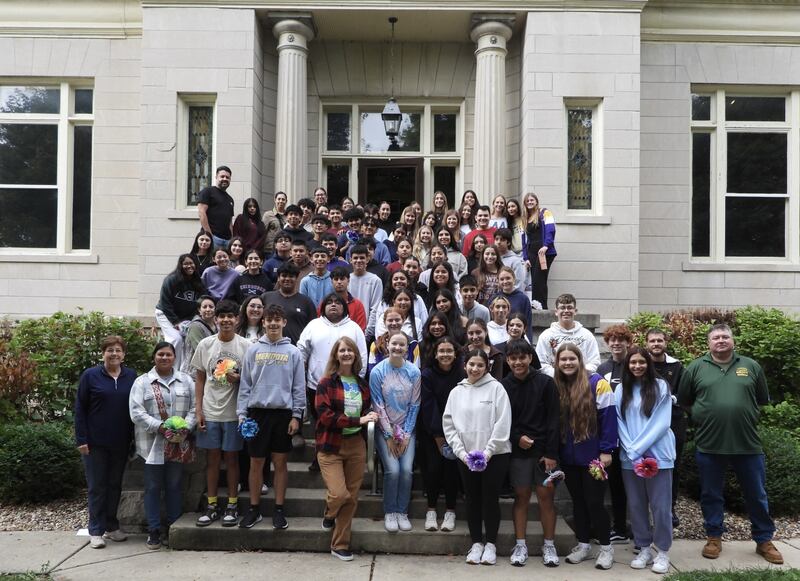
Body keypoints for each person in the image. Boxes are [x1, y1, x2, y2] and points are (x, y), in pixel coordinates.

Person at [677, 324, 783, 565]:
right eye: (716, 337)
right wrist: (703, 415)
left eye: (725, 336)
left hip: (747, 444)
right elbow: (685, 401)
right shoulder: (695, 367)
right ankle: (714, 537)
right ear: (709, 343)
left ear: (733, 341)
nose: (721, 340)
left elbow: (761, 400)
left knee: (756, 494)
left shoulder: (750, 366)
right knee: (711, 494)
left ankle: (764, 540)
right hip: (709, 443)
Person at [236, 304, 306, 530]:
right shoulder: (253, 350)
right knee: (256, 462)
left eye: (278, 319)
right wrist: (242, 414)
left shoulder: (294, 352)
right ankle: (254, 509)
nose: (273, 323)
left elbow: (299, 387)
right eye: (269, 320)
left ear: (284, 323)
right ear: (263, 322)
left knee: (281, 463)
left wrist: (297, 416)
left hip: (283, 414)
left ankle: (278, 509)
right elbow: (245, 383)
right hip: (257, 413)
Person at [442, 348, 511, 565]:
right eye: (471, 364)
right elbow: (449, 424)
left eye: (480, 365)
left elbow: (502, 423)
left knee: (490, 499)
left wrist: (488, 452)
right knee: (472, 499)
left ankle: (490, 543)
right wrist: (462, 454)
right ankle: (476, 543)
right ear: (465, 365)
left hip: (495, 456)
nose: (475, 368)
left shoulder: (497, 389)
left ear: (487, 367)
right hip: (466, 458)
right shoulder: (456, 392)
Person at [553, 343, 617, 570]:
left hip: (594, 458)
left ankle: (606, 548)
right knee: (577, 503)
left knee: (595, 503)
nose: (568, 363)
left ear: (580, 360)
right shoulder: (557, 385)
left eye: (572, 358)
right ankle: (583, 545)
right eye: (563, 359)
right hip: (569, 459)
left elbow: (609, 418)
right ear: (557, 363)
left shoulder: (597, 383)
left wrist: (606, 451)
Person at [316, 337, 380, 561]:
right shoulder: (326, 383)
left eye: (350, 350)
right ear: (336, 354)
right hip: (331, 444)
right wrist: (359, 420)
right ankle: (329, 513)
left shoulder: (362, 383)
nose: (346, 354)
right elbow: (325, 416)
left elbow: (368, 409)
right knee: (339, 493)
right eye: (342, 350)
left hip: (356, 446)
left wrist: (370, 416)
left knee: (351, 498)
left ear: (355, 355)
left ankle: (340, 544)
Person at [129, 341, 196, 550]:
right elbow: (136, 412)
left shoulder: (186, 381)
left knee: (174, 486)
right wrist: (160, 427)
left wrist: (185, 427)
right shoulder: (142, 382)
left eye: (168, 355)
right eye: (160, 355)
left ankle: (173, 528)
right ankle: (154, 530)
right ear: (154, 357)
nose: (165, 358)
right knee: (152, 488)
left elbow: (196, 407)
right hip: (150, 446)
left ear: (174, 357)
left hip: (177, 445)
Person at [615, 347, 676, 574]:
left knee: (660, 507)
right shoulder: (621, 389)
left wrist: (637, 448)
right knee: (636, 505)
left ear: (648, 364)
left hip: (658, 455)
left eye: (642, 362)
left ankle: (662, 551)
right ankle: (643, 548)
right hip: (630, 458)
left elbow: (661, 423)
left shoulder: (661, 387)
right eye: (633, 363)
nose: (637, 366)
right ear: (627, 365)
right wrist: (631, 451)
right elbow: (618, 421)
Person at [191, 299, 251, 528]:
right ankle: (212, 504)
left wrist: (240, 379)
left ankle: (233, 505)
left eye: (230, 316)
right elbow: (199, 378)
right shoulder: (205, 345)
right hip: (210, 410)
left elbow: (251, 380)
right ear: (215, 319)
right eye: (221, 316)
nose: (226, 320)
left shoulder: (245, 346)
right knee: (212, 460)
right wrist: (198, 410)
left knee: (232, 459)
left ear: (237, 320)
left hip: (234, 412)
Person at [75, 335, 137, 549]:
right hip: (95, 443)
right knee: (97, 487)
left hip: (121, 442)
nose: (114, 354)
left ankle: (111, 526)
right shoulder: (91, 376)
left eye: (118, 350)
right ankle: (96, 530)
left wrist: (134, 441)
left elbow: (134, 409)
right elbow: (80, 409)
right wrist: (81, 439)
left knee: (114, 486)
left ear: (123, 354)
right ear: (103, 353)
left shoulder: (131, 376)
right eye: (110, 350)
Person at [502, 339, 560, 567]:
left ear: (530, 358)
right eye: (513, 358)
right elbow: (501, 420)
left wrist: (551, 453)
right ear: (507, 360)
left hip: (545, 453)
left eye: (522, 357)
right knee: (522, 497)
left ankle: (549, 545)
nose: (518, 362)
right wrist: (517, 438)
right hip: (518, 452)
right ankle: (520, 545)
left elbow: (554, 419)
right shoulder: (503, 385)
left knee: (546, 498)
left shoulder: (546, 383)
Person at [298, 293, 368, 470]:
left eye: (338, 302)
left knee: (343, 421)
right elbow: (301, 351)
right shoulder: (314, 325)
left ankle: (343, 457)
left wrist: (358, 381)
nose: (333, 305)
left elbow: (363, 356)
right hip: (318, 385)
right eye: (329, 302)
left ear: (344, 307)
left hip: (347, 385)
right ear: (323, 306)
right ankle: (319, 455)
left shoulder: (353, 327)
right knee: (320, 422)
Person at [370, 331, 422, 533]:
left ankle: (402, 511)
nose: (398, 348)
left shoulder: (414, 372)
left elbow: (414, 404)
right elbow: (378, 404)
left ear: (407, 348)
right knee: (393, 470)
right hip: (385, 430)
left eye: (402, 345)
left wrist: (406, 435)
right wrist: (390, 435)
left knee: (407, 470)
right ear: (387, 345)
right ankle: (390, 511)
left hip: (407, 428)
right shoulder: (378, 372)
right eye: (394, 344)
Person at [420, 336, 464, 533]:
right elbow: (429, 406)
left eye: (449, 351)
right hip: (432, 432)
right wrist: (439, 436)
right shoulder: (427, 374)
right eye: (442, 351)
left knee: (452, 471)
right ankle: (431, 510)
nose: (445, 355)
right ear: (436, 354)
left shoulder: (463, 374)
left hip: (458, 431)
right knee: (433, 469)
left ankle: (450, 511)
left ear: (455, 354)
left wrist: (454, 434)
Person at [596, 323, 634, 544]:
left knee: (628, 485)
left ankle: (628, 529)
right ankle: (611, 527)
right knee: (610, 484)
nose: (617, 343)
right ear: (607, 343)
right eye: (612, 340)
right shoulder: (602, 369)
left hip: (632, 435)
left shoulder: (636, 364)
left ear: (628, 342)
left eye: (621, 339)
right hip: (609, 436)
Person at [646, 328, 686, 527]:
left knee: (672, 467)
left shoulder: (677, 367)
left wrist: (668, 399)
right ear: (647, 344)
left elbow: (685, 395)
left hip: (673, 424)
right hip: (646, 425)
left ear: (665, 343)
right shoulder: (641, 365)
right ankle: (646, 511)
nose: (656, 344)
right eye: (652, 341)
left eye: (659, 340)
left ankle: (669, 509)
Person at [155, 254, 206, 368]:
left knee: (187, 341)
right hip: (166, 314)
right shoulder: (171, 280)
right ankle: (171, 369)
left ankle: (183, 370)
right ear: (180, 265)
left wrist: (194, 320)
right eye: (186, 264)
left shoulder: (199, 282)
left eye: (191, 263)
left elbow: (201, 303)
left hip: (186, 318)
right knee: (176, 339)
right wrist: (176, 322)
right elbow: (165, 303)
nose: (189, 266)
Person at [536, 293, 601, 377]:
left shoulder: (587, 335)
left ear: (575, 311)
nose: (566, 311)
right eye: (562, 308)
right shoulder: (546, 336)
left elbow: (594, 361)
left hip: (581, 381)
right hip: (555, 383)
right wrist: (559, 375)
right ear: (556, 312)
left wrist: (577, 373)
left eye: (569, 307)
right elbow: (541, 363)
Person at [261, 262, 318, 345]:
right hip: (268, 348)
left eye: (291, 276)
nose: (287, 279)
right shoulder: (266, 297)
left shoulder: (306, 302)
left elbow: (313, 329)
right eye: (284, 275)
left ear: (297, 278)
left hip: (297, 350)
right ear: (278, 278)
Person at [522, 192, 557, 310]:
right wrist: (526, 257)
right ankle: (536, 307)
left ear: (536, 201)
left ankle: (542, 308)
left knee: (539, 280)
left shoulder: (545, 212)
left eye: (532, 200)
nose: (530, 202)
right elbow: (524, 239)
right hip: (531, 253)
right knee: (534, 282)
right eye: (527, 201)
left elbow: (550, 229)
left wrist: (547, 245)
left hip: (543, 253)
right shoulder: (525, 218)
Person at [368, 307, 420, 374]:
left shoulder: (413, 344)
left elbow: (416, 372)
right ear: (384, 322)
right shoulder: (375, 344)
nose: (394, 323)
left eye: (397, 320)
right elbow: (372, 371)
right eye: (390, 320)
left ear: (403, 320)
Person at [348, 245, 383, 343]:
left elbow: (375, 308)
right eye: (355, 258)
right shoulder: (346, 280)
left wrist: (367, 334)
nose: (358, 260)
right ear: (350, 260)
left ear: (367, 259)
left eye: (362, 258)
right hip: (347, 331)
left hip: (367, 333)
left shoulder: (375, 280)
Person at [197, 165, 235, 248]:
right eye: (222, 176)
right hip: (213, 238)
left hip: (227, 241)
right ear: (216, 177)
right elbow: (201, 213)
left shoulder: (230, 199)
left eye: (227, 177)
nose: (225, 179)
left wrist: (231, 239)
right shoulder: (208, 191)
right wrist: (209, 236)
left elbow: (230, 222)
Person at [491, 266, 532, 340]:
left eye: (508, 278)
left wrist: (528, 344)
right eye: (502, 279)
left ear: (514, 279)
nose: (505, 281)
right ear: (498, 281)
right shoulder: (494, 299)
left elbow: (528, 324)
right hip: (497, 338)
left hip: (518, 340)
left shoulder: (523, 299)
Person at [181, 295, 217, 375]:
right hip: (194, 374)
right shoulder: (195, 326)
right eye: (204, 307)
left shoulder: (217, 326)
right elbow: (200, 350)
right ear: (199, 310)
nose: (208, 309)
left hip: (211, 371)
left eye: (211, 307)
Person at [330, 266, 367, 332]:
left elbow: (360, 329)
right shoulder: (325, 304)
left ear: (348, 280)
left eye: (342, 279)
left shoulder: (358, 305)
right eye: (336, 279)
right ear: (331, 281)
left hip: (351, 341)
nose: (339, 282)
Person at [493, 228, 525, 292]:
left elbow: (519, 284)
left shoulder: (515, 260)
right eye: (496, 239)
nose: (498, 242)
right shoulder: (492, 258)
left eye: (502, 240)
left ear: (508, 243)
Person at [262, 191, 287, 256]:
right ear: (275, 200)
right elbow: (262, 231)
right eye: (279, 199)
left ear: (286, 201)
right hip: (270, 250)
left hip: (285, 249)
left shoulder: (288, 216)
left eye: (283, 199)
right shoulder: (268, 215)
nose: (281, 201)